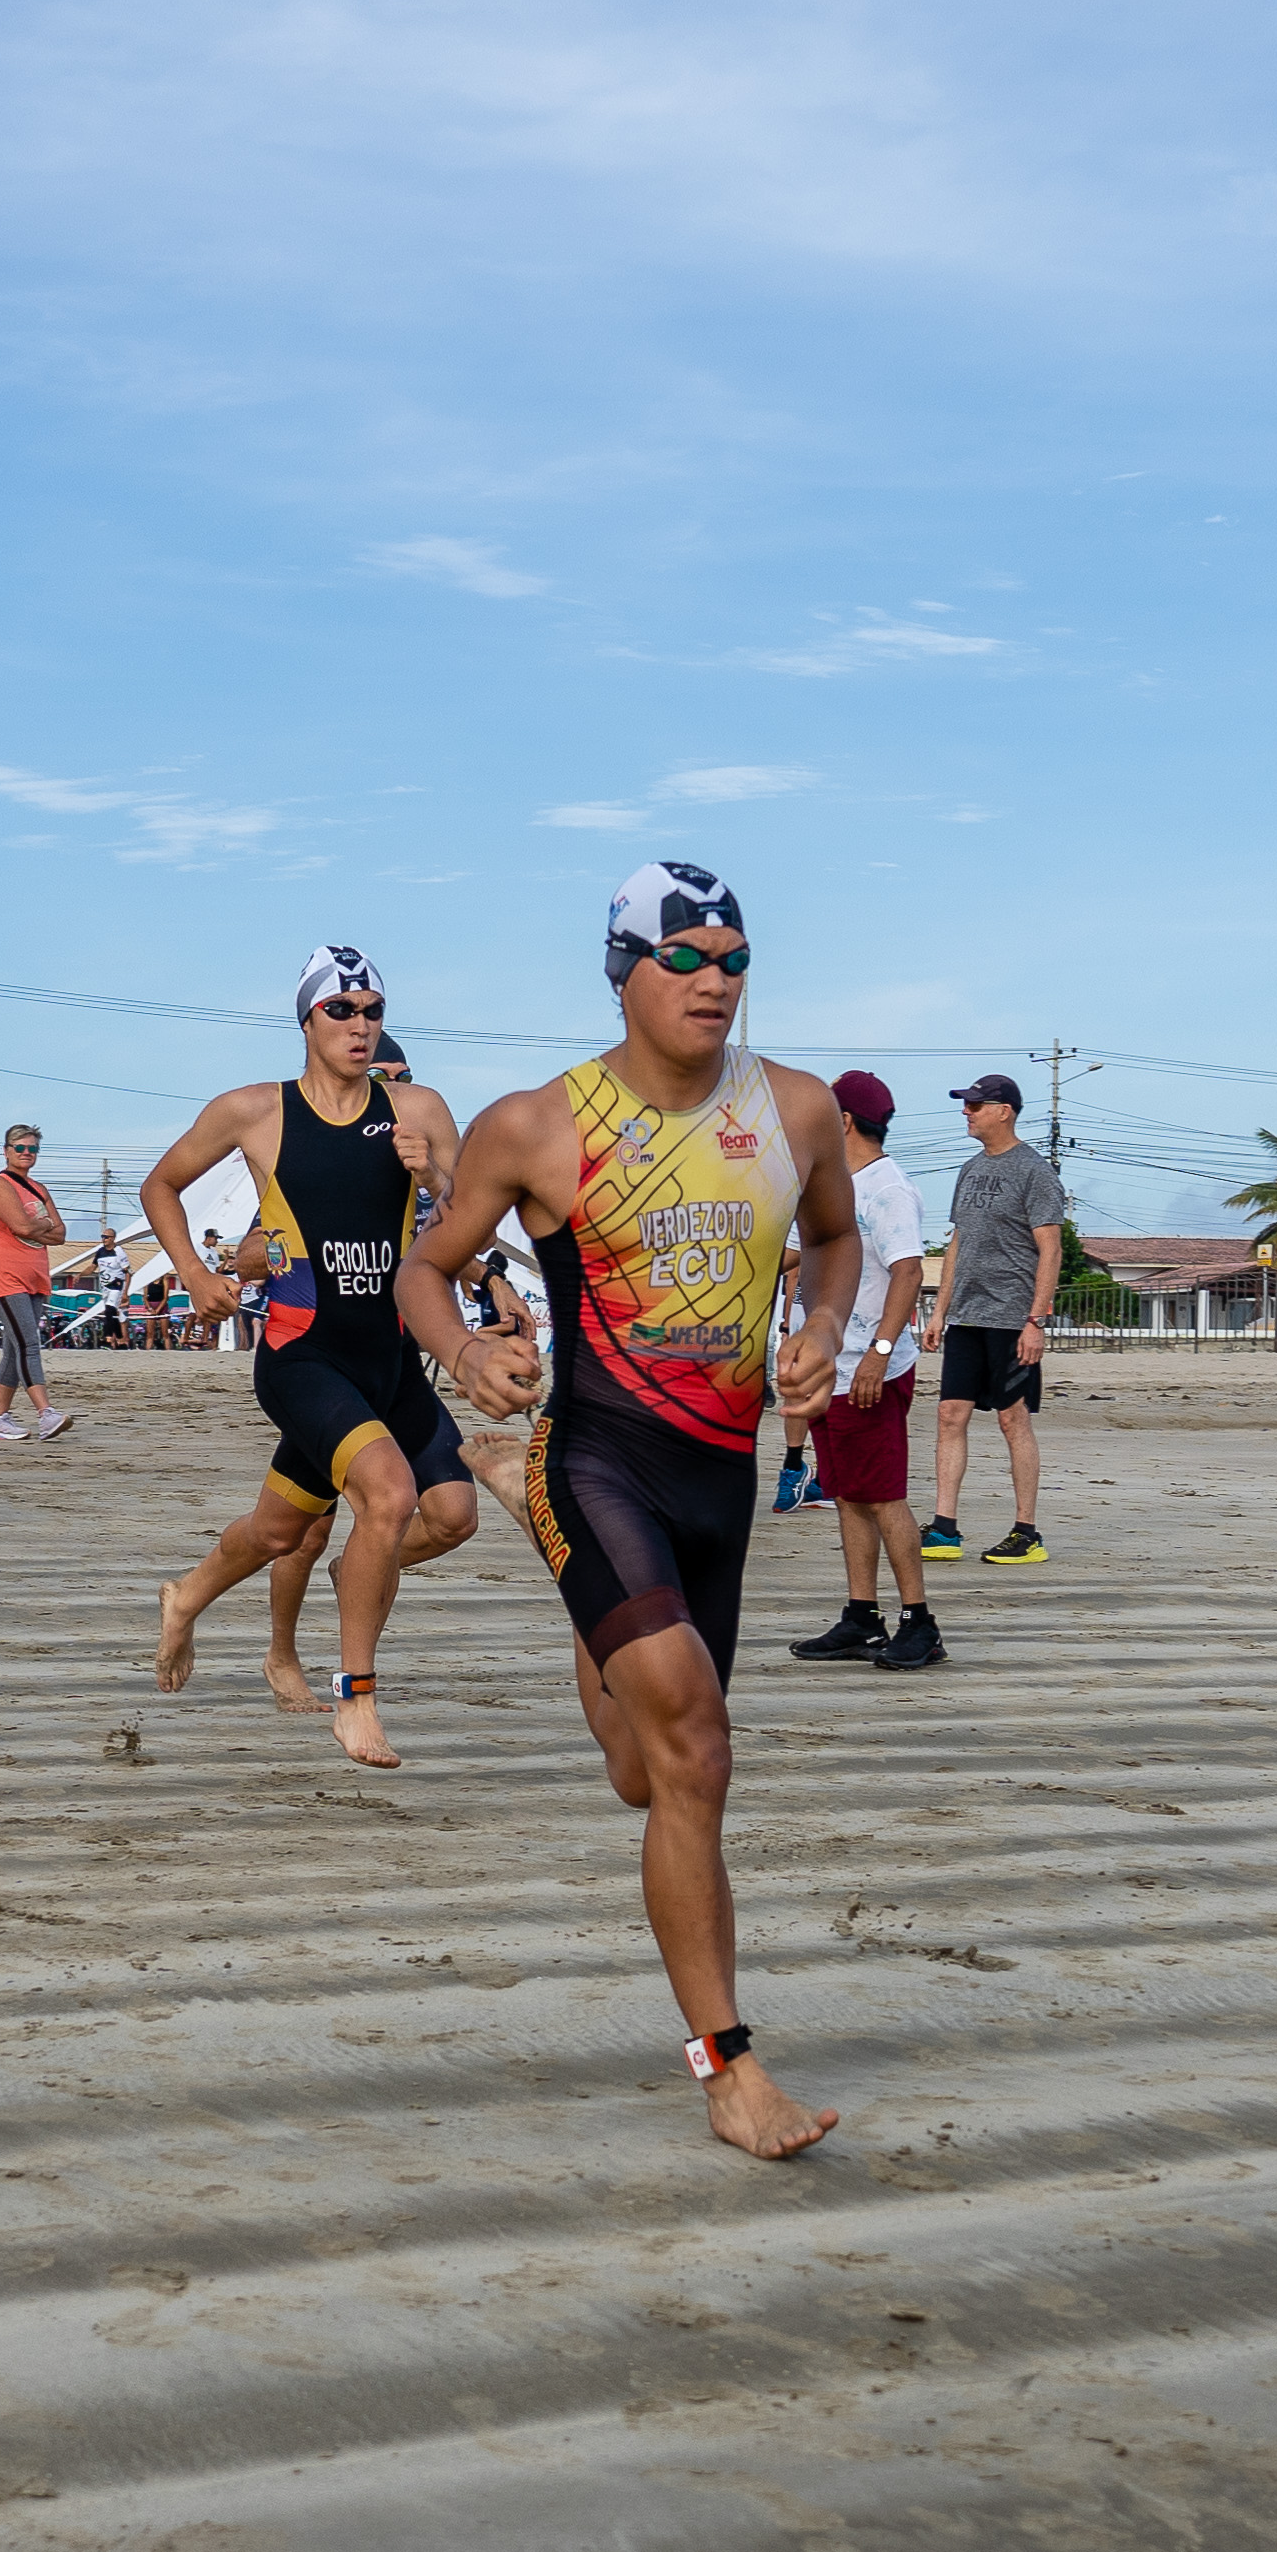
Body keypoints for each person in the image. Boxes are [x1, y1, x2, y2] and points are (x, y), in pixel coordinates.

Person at [398, 863, 858, 2156]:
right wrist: (464, 1353)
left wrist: (820, 1321)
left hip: (720, 1476)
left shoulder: (798, 1110)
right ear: (623, 969)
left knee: (634, 1769)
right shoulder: (537, 1125)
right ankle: (726, 2064)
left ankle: (589, 1610)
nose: (715, 978)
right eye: (685, 956)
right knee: (694, 1751)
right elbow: (424, 1273)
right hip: (595, 1452)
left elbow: (834, 1240)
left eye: (733, 956)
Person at [141, 948, 481, 1765]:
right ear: (306, 1019)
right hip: (302, 1358)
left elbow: (470, 1220)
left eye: (372, 1010)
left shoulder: (420, 1106)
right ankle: (355, 1700)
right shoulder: (255, 1110)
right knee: (390, 1494)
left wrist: (432, 1171)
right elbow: (162, 1184)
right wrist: (192, 1272)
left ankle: (186, 1595)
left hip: (389, 1361)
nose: (360, 1025)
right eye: (342, 1010)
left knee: (307, 1528)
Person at [784, 1070, 941, 1668]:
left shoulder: (887, 1189)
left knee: (882, 1497)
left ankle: (919, 1623)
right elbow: (802, 1249)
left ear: (843, 1121)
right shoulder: (836, 1187)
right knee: (848, 1494)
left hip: (870, 1369)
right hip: (833, 1366)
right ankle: (861, 1616)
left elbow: (908, 1271)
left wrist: (879, 1352)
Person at [920, 1073, 1061, 1567]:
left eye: (976, 1105)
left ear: (1004, 1110)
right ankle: (944, 1529)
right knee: (948, 1415)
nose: (968, 1112)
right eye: (967, 1104)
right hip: (967, 1317)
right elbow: (958, 1242)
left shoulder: (1034, 1171)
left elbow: (1050, 1248)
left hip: (1012, 1320)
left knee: (1011, 1418)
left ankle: (1027, 1531)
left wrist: (1035, 1320)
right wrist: (939, 1309)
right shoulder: (969, 1169)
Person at [0, 1122, 71, 1440]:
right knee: (29, 1344)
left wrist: (37, 1225)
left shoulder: (38, 1189)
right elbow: (24, 1227)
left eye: (32, 1149)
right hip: (6, 1278)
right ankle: (46, 1414)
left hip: (35, 1278)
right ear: (7, 1151)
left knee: (13, 1350)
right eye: (20, 1147)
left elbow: (60, 1233)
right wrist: (39, 1224)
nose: (27, 1153)